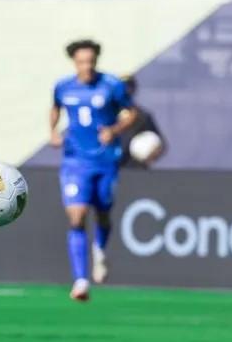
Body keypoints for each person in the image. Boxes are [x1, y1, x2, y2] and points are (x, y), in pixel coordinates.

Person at [50, 40, 137, 301]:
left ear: (96, 61)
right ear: (74, 62)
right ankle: (80, 280)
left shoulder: (111, 85)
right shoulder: (63, 86)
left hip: (105, 160)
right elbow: (55, 108)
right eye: (82, 62)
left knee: (103, 213)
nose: (86, 66)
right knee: (76, 217)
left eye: (90, 61)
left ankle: (99, 249)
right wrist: (52, 132)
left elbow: (131, 113)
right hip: (75, 161)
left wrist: (114, 130)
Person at [118, 75, 165, 169]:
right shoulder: (105, 115)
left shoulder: (143, 116)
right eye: (122, 86)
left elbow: (161, 145)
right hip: (110, 169)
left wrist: (152, 152)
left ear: (134, 88)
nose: (126, 90)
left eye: (129, 86)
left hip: (136, 169)